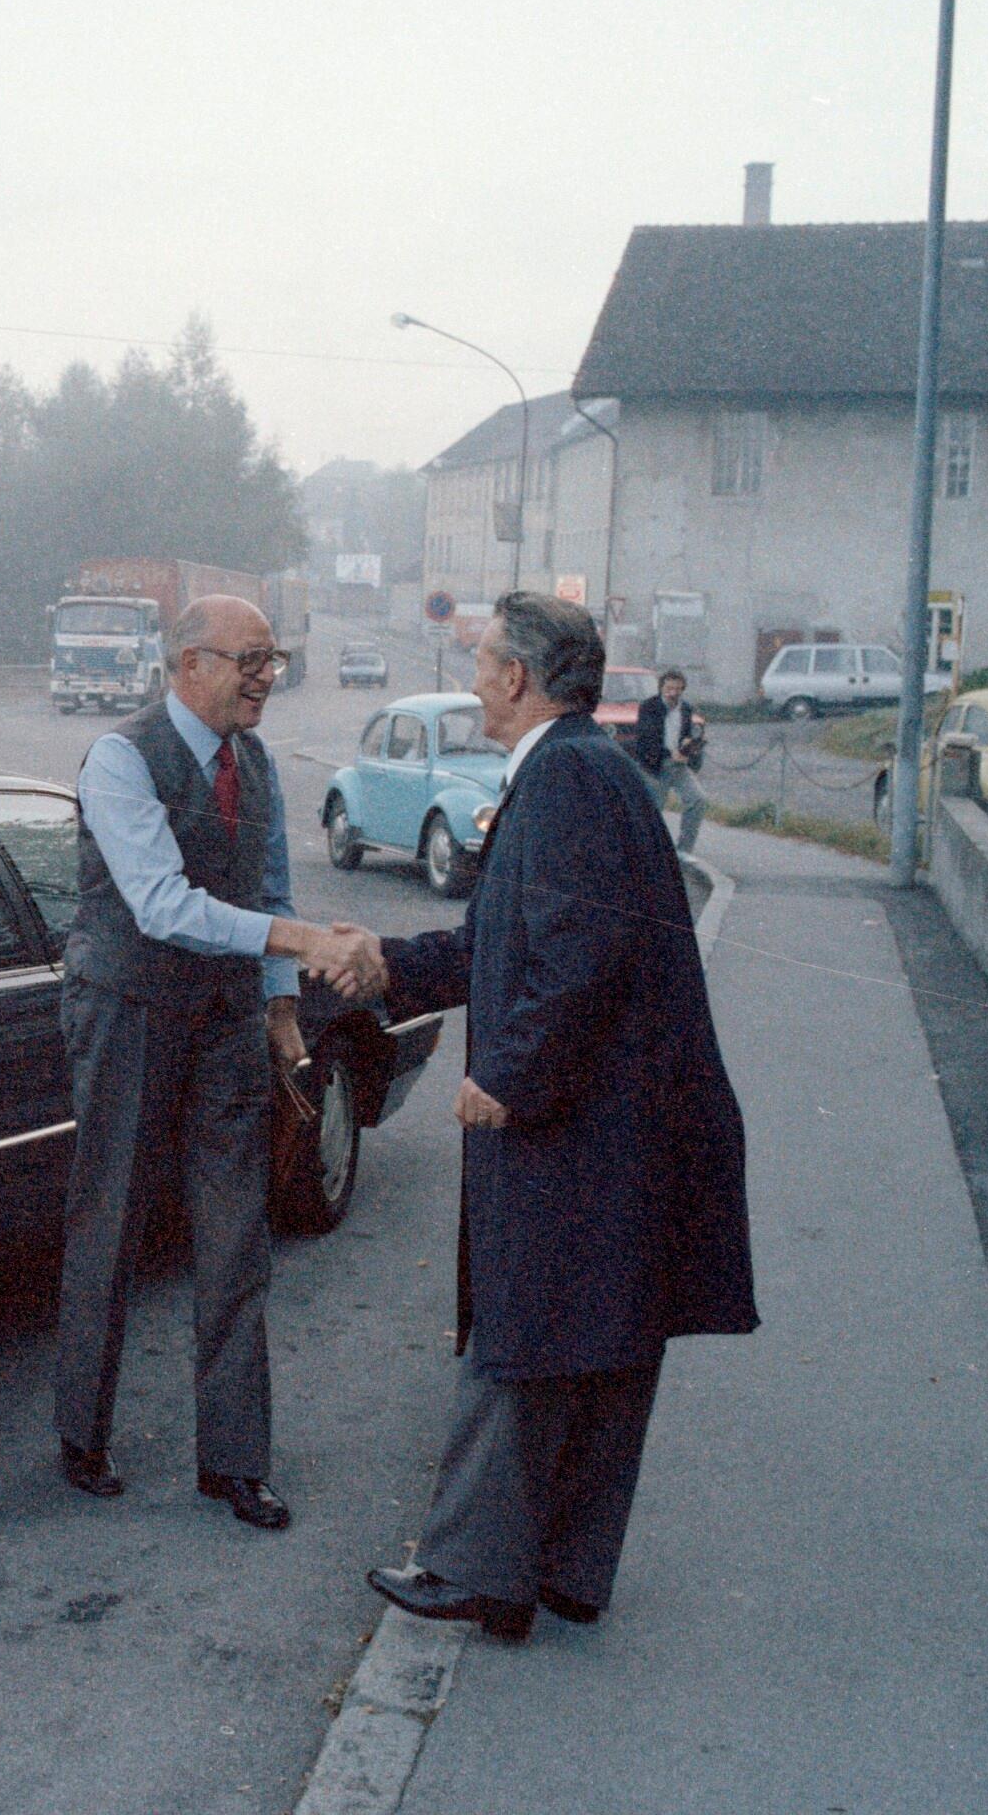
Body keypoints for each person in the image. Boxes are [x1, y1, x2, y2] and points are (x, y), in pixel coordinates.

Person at [351, 592, 756, 1638]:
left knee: (527, 1337)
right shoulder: (582, 769)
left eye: (483, 657)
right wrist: (385, 961)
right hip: (628, 1121)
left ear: (519, 677)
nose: (474, 672)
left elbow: (580, 953)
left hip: (584, 1120)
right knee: (604, 1339)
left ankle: (474, 1568)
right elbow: (502, 942)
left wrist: (514, 1073)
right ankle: (564, 1569)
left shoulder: (567, 776)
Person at [53, 594, 384, 1531]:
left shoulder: (256, 762)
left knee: (237, 1235)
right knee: (108, 1215)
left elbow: (269, 880)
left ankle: (235, 1464)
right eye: (251, 661)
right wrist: (300, 937)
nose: (266, 677)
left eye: (272, 660)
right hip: (127, 1009)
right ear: (191, 664)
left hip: (227, 1019)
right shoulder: (121, 758)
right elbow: (159, 905)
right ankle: (83, 1434)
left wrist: (283, 1010)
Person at [627, 667, 708, 855]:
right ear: (661, 688)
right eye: (669, 688)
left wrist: (689, 746)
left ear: (683, 689)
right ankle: (646, 853)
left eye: (678, 689)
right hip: (655, 766)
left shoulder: (686, 709)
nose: (673, 693)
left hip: (679, 765)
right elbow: (646, 739)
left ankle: (685, 851)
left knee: (698, 800)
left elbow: (685, 735)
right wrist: (668, 754)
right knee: (654, 811)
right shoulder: (649, 707)